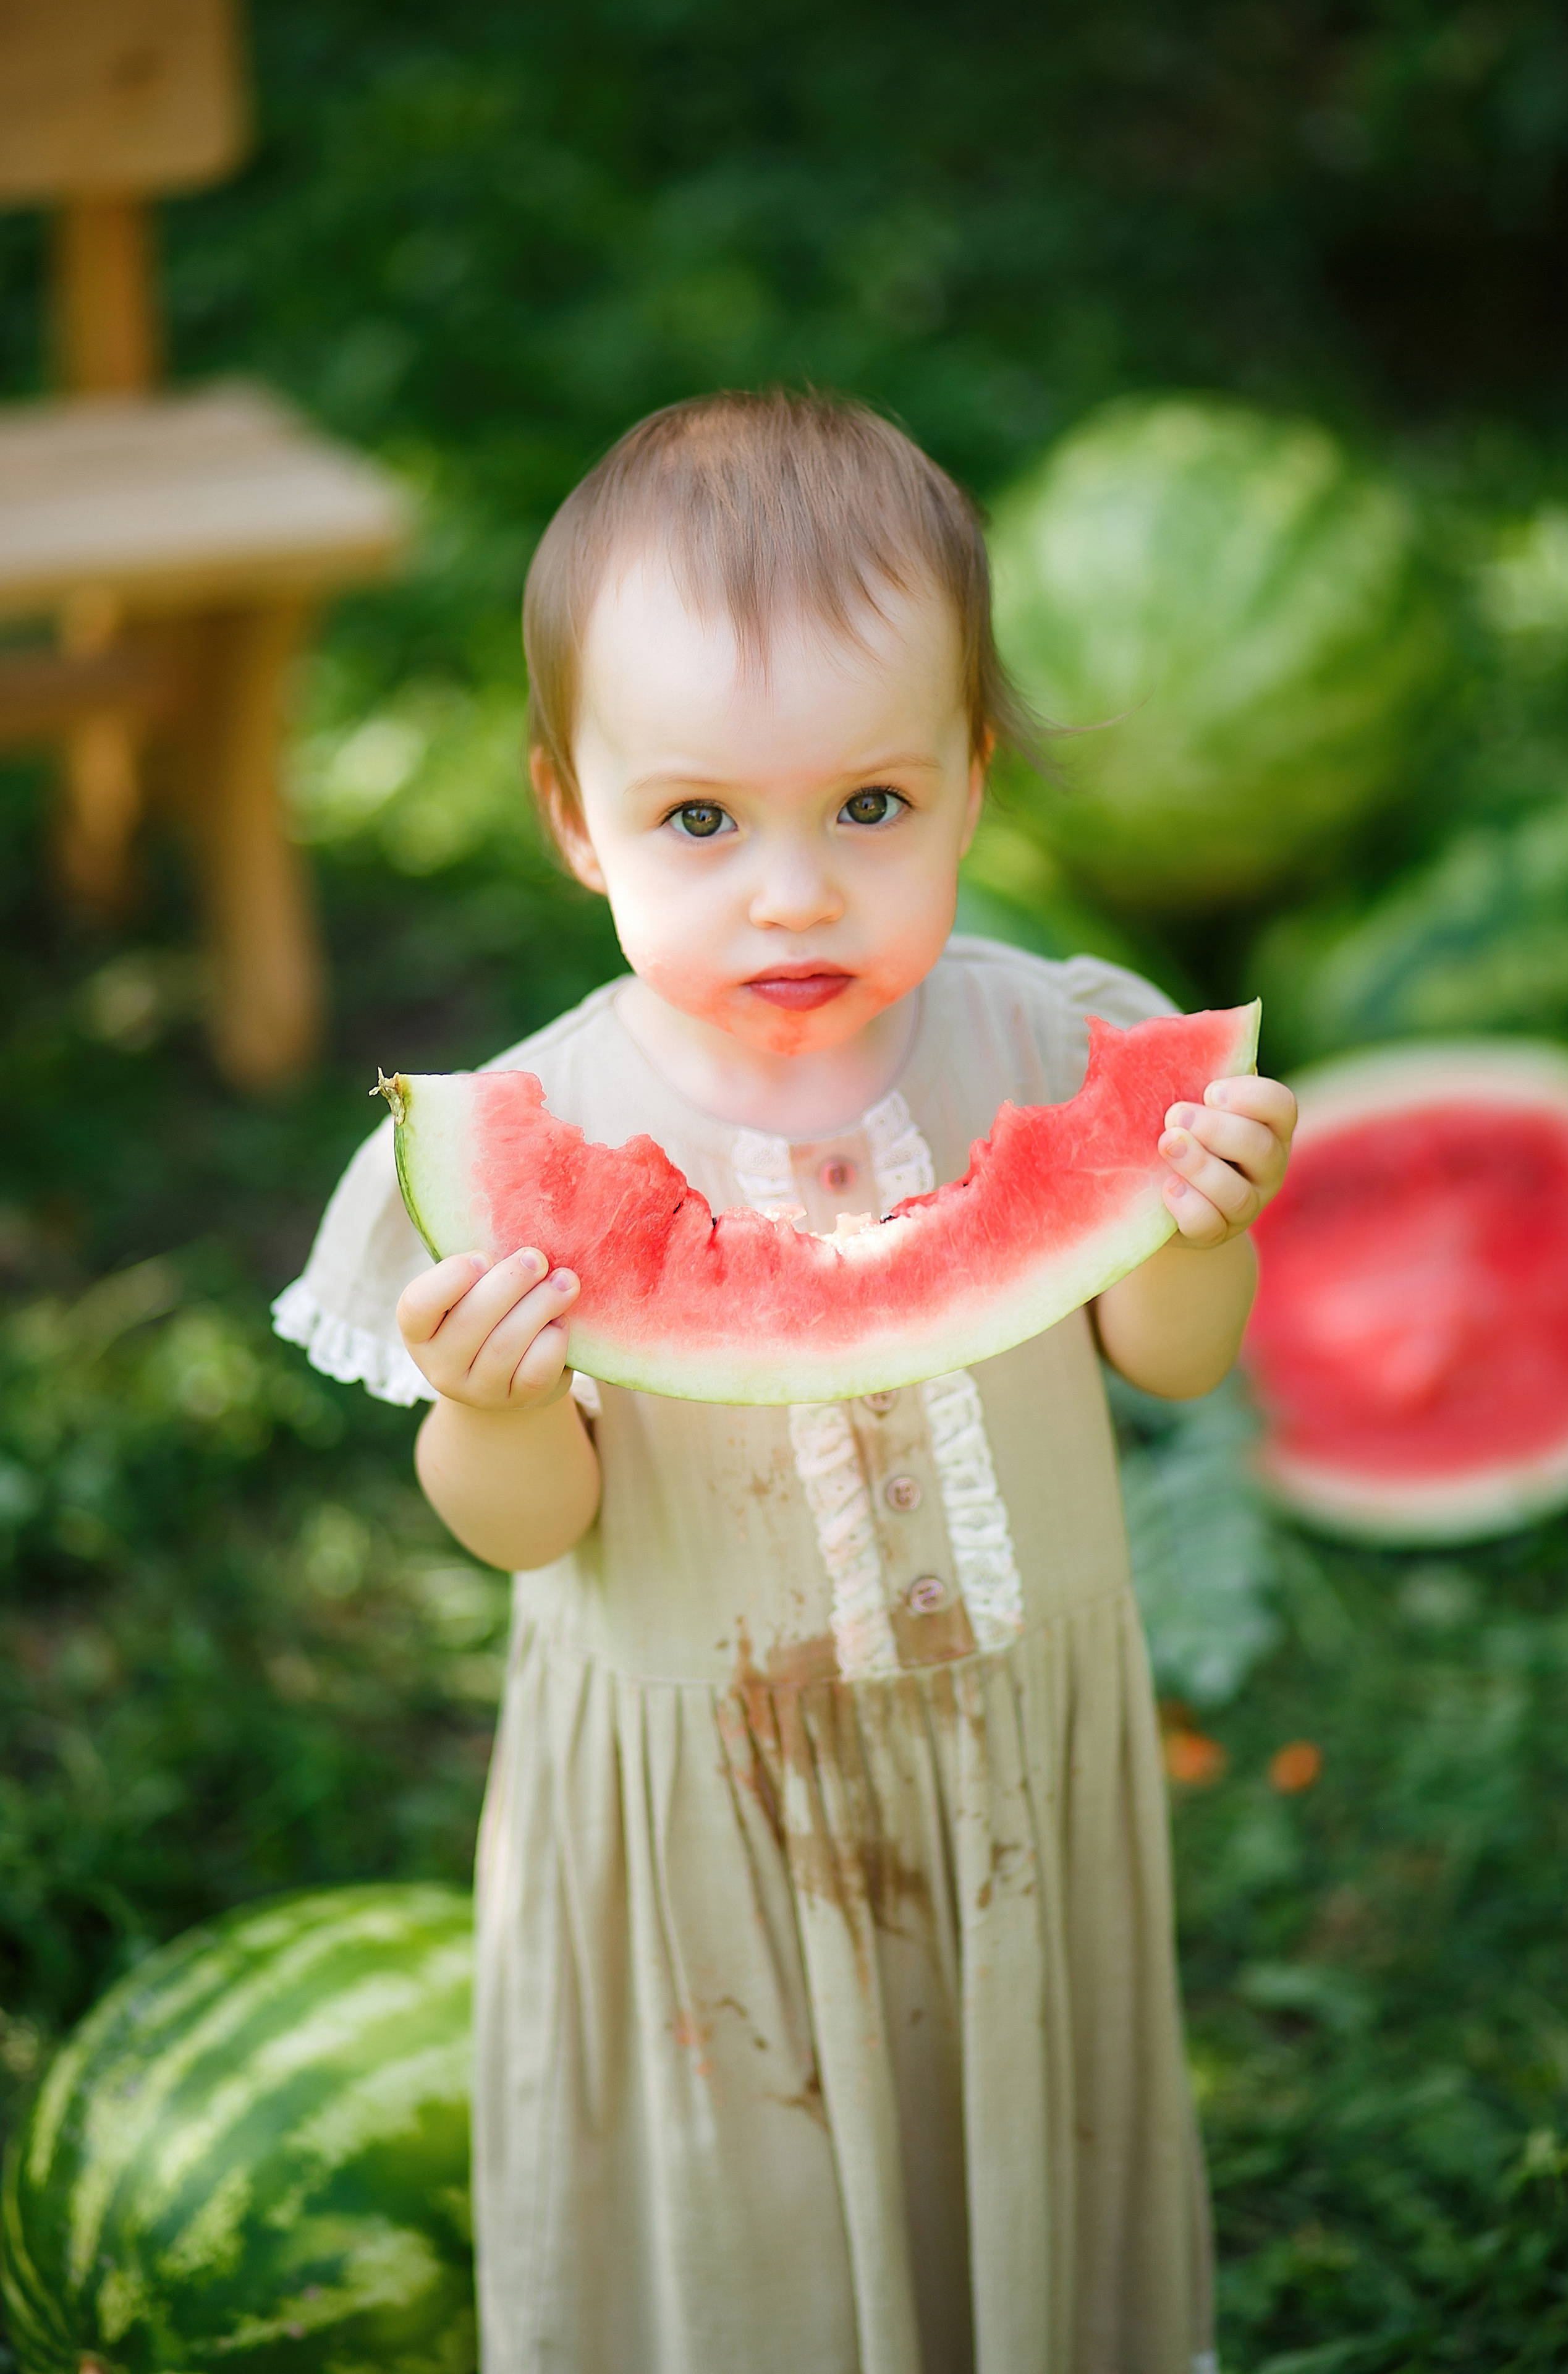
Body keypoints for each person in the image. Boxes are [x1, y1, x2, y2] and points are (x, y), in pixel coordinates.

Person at [274, 389, 1296, 2374]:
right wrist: (493, 1413)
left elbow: (1171, 1363)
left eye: (872, 808)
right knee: (741, 2236)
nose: (796, 892)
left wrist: (1197, 1230)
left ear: (972, 784)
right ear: (576, 818)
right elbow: (529, 1531)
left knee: (1006, 2174)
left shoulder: (1051, 1052)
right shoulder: (534, 1125)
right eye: (699, 823)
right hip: (704, 1814)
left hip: (1011, 1754)